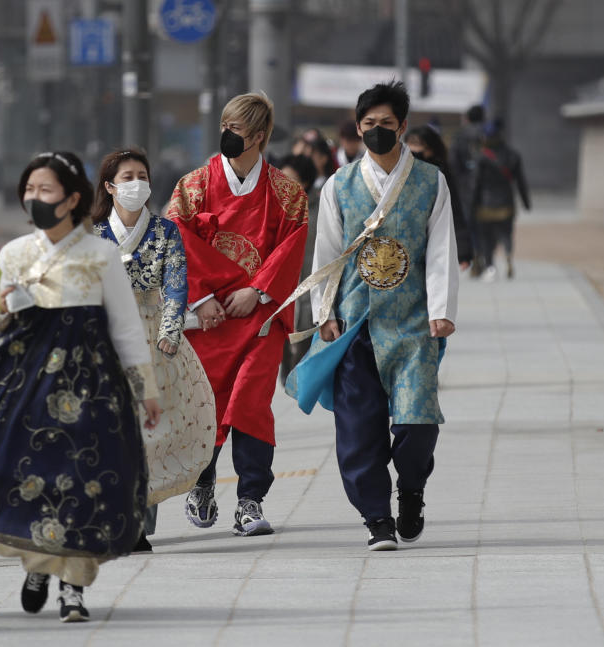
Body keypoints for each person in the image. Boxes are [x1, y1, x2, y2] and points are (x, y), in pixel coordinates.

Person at [0, 151, 163, 624]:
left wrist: (147, 388)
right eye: (30, 190)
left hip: (90, 383)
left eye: (45, 190)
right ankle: (38, 563)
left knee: (83, 480)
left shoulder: (100, 255)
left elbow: (124, 327)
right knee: (25, 473)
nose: (34, 199)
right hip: (23, 384)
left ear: (73, 198)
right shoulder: (14, 254)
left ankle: (73, 588)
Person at [286, 81, 459, 551]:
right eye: (369, 125)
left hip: (413, 322)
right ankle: (376, 517)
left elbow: (441, 250)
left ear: (403, 127)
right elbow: (325, 253)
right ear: (358, 130)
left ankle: (411, 489)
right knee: (358, 427)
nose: (377, 132)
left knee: (417, 423)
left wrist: (442, 311)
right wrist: (324, 312)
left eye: (386, 124)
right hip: (355, 324)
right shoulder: (338, 187)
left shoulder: (430, 181)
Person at [166, 92, 308, 537]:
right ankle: (202, 481)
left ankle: (250, 499)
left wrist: (259, 290)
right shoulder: (193, 187)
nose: (227, 136)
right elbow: (176, 242)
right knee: (205, 402)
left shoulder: (286, 193)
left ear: (260, 137)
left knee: (250, 403)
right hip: (208, 318)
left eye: (237, 131)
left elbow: (291, 249)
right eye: (224, 128)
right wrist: (200, 296)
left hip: (259, 317)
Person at [92, 148, 216, 553]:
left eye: (141, 175)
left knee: (150, 434)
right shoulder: (92, 235)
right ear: (110, 187)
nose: (136, 183)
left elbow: (176, 286)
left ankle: (139, 524)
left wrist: (169, 332)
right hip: (105, 339)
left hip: (153, 338)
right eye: (126, 177)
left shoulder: (166, 232)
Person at [405, 125, 474, 268]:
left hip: (434, 242)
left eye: (418, 145)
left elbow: (455, 211)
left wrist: (463, 251)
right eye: (410, 144)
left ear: (431, 148)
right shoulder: (399, 172)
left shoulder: (441, 175)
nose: (413, 150)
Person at [470, 120, 531, 280]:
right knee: (506, 233)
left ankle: (490, 266)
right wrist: (526, 202)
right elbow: (520, 181)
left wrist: (471, 204)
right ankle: (509, 257)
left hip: (485, 204)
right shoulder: (513, 155)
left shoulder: (481, 157)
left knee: (486, 237)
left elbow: (475, 183)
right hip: (506, 203)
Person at [278, 154, 320, 382]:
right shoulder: (275, 209)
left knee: (305, 326)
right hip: (283, 286)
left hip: (310, 281)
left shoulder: (319, 208)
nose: (281, 183)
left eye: (288, 179)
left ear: (304, 182)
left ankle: (299, 376)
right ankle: (288, 372)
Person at [449, 105, 485, 273]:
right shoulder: (490, 134)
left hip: (464, 187)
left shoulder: (460, 136)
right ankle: (485, 256)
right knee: (485, 226)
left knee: (468, 223)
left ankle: (472, 257)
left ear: (467, 118)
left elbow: (453, 163)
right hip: (488, 188)